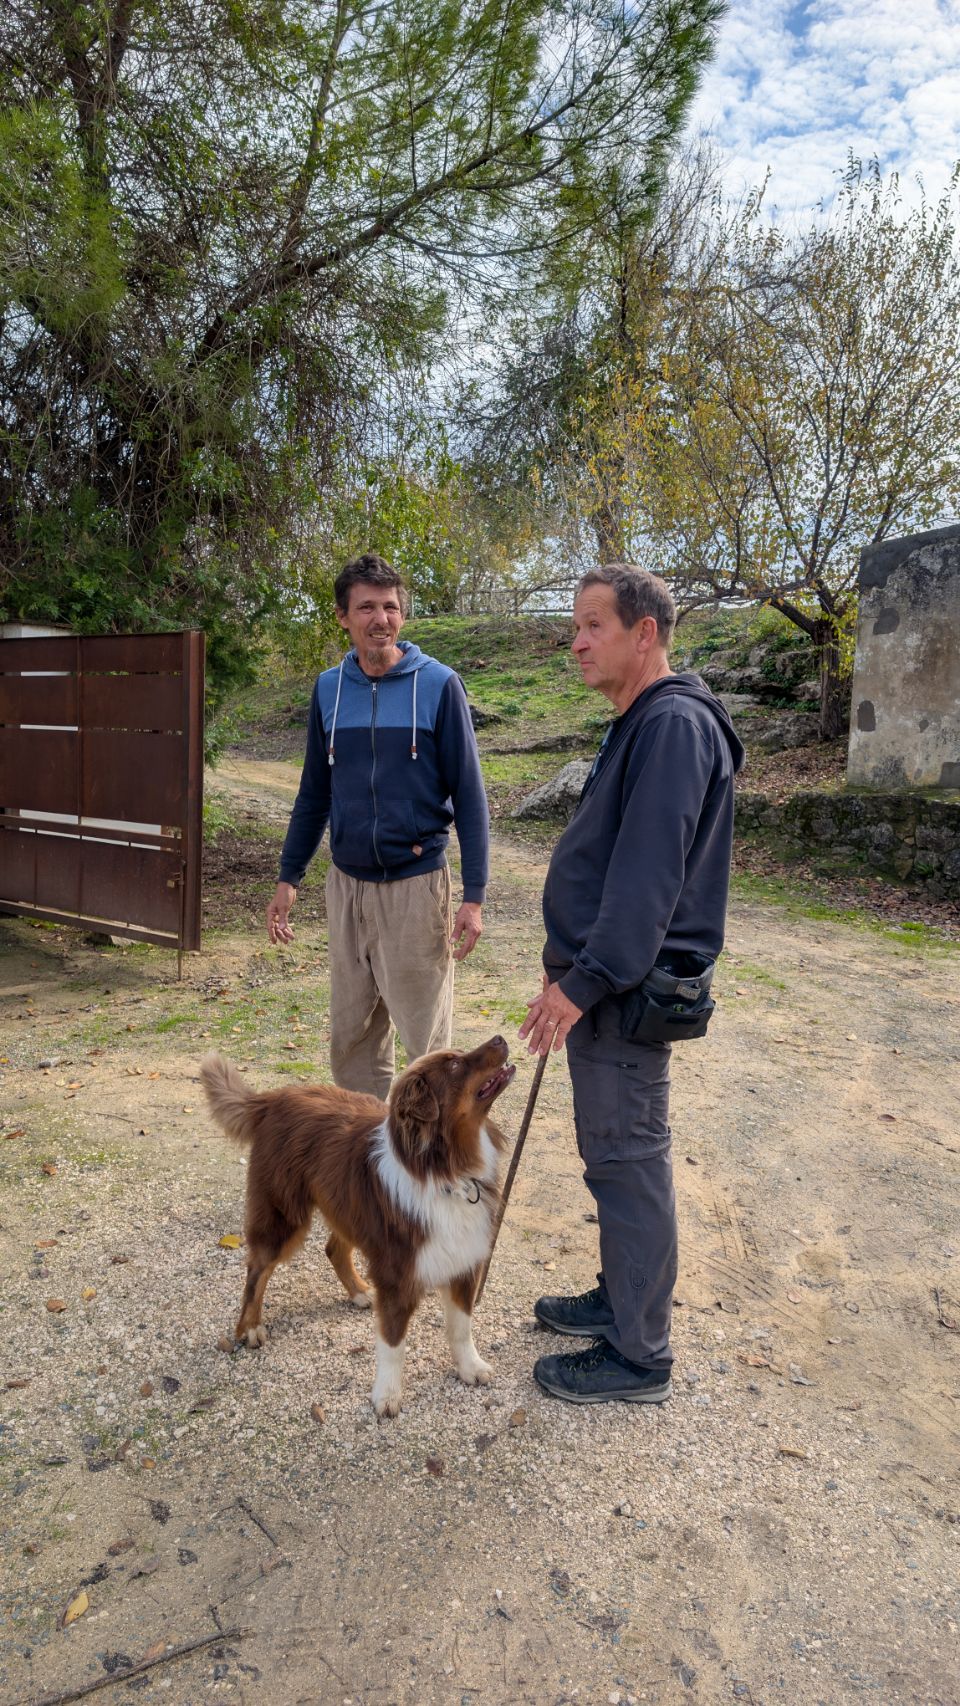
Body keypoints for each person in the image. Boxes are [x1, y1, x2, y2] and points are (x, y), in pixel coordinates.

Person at [519, 564, 744, 1405]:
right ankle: (621, 1297)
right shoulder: (644, 721)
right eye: (575, 627)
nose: (576, 642)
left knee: (628, 1158)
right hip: (607, 989)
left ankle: (639, 1352)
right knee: (611, 1156)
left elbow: (646, 882)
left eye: (593, 626)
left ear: (643, 633)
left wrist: (582, 982)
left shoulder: (674, 725)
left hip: (622, 994)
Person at [267, 552, 489, 1100]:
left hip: (415, 886)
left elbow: (469, 795)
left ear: (402, 615)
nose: (380, 619)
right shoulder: (328, 689)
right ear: (343, 616)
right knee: (353, 1040)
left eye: (390, 606)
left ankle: (432, 1149)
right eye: (366, 607)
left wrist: (474, 896)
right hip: (346, 887)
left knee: (427, 1046)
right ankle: (368, 1146)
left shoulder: (439, 686)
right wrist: (289, 876)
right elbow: (313, 792)